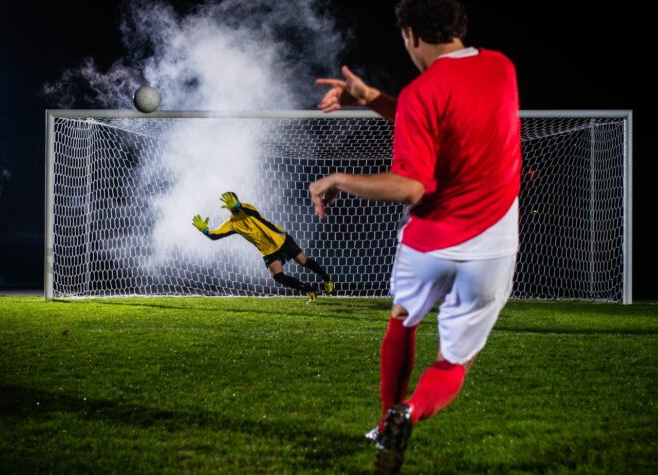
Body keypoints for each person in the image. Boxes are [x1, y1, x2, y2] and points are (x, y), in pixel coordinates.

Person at [310, 0, 521, 472]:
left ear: (411, 35)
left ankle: (386, 421)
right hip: (491, 248)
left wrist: (339, 178)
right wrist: (374, 99)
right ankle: (411, 412)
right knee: (452, 362)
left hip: (429, 244)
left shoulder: (421, 92)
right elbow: (448, 117)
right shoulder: (503, 69)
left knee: (402, 319)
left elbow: (411, 186)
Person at [193, 192, 334, 303]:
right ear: (227, 207)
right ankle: (310, 290)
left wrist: (237, 205)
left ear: (237, 201)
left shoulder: (248, 208)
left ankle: (327, 279)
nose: (232, 206)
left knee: (304, 261)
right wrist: (205, 230)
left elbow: (247, 210)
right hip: (267, 251)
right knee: (277, 276)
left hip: (280, 239)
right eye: (229, 204)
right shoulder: (231, 224)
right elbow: (216, 235)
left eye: (233, 202)